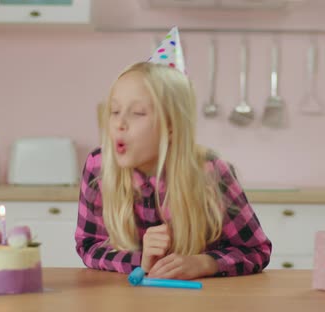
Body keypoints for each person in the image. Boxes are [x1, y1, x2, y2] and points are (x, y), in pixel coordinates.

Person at [75, 27, 271, 280]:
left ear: (170, 125)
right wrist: (140, 260)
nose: (119, 124)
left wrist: (205, 263)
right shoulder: (99, 166)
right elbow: (88, 247)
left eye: (137, 113)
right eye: (114, 111)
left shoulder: (209, 171)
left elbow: (256, 250)